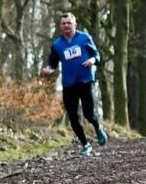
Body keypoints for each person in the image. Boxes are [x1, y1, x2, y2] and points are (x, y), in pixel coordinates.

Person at [40, 13, 107, 156]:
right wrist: (48, 70)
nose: (66, 26)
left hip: (85, 80)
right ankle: (86, 144)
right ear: (60, 27)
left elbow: (97, 56)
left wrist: (92, 61)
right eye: (63, 24)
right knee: (73, 117)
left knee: (89, 115)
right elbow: (53, 63)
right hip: (68, 84)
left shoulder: (84, 38)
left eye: (69, 23)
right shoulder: (57, 44)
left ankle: (98, 127)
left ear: (75, 25)